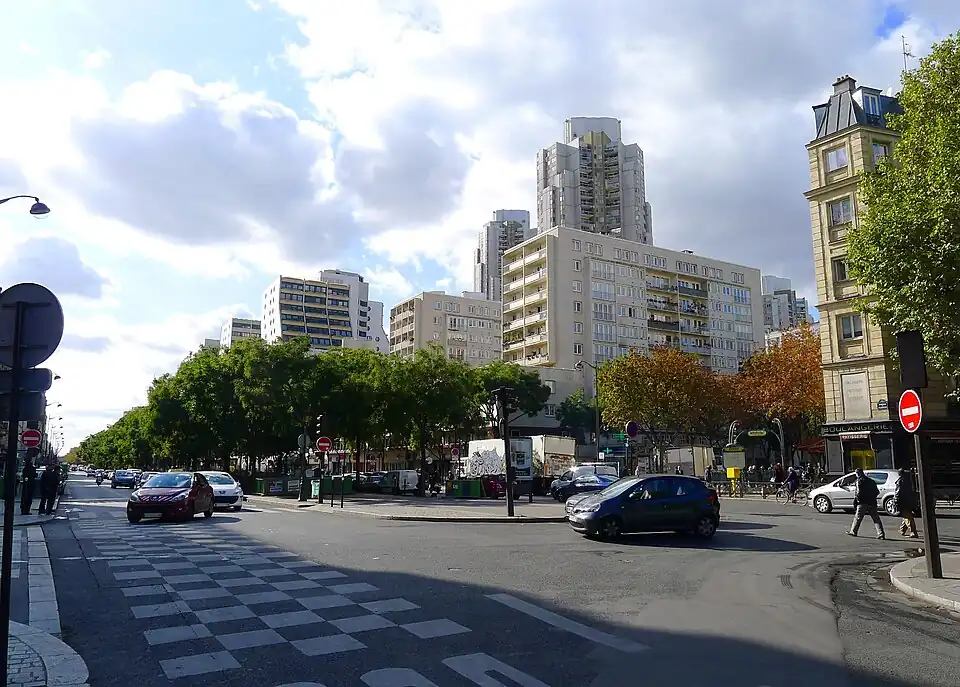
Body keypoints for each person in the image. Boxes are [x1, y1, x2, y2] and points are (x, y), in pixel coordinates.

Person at [848, 468, 885, 539]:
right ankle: (881, 534)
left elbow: (858, 492)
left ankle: (853, 531)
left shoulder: (859, 481)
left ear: (857, 474)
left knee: (858, 518)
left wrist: (857, 501)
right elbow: (877, 492)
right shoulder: (871, 481)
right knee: (876, 519)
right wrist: (872, 497)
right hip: (872, 502)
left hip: (862, 502)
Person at [894, 468, 919, 538]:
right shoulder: (909, 480)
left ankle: (913, 532)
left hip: (903, 501)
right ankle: (902, 529)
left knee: (907, 517)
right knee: (907, 515)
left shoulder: (900, 481)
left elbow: (898, 492)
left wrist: (896, 500)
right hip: (910, 501)